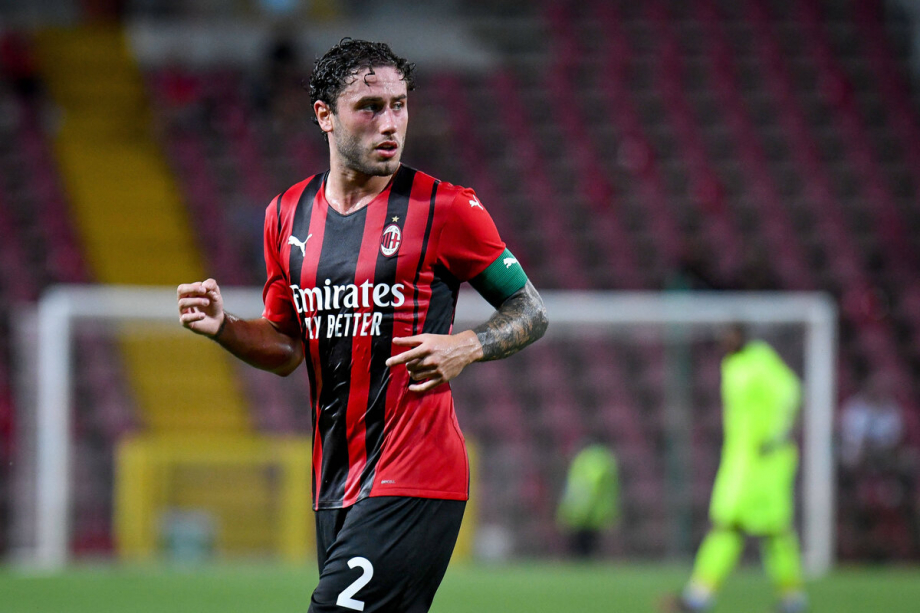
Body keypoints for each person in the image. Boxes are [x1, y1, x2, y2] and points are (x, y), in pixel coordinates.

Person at [177, 38, 547, 613]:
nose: (390, 123)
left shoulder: (446, 208)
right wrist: (225, 326)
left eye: (399, 105)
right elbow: (286, 348)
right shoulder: (286, 215)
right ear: (325, 115)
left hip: (417, 473)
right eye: (370, 107)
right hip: (335, 482)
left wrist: (467, 345)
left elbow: (530, 310)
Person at [665, 325, 806, 613]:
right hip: (740, 463)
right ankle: (700, 597)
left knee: (772, 532)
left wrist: (776, 435)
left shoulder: (760, 360)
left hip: (765, 463)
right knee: (729, 528)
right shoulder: (732, 365)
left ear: (743, 335)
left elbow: (790, 392)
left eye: (729, 334)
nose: (724, 339)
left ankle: (792, 601)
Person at [556, 440, 619, 558]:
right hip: (594, 515)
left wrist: (568, 514)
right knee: (588, 551)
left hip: (583, 515)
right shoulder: (602, 460)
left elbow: (581, 490)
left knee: (581, 552)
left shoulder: (583, 462)